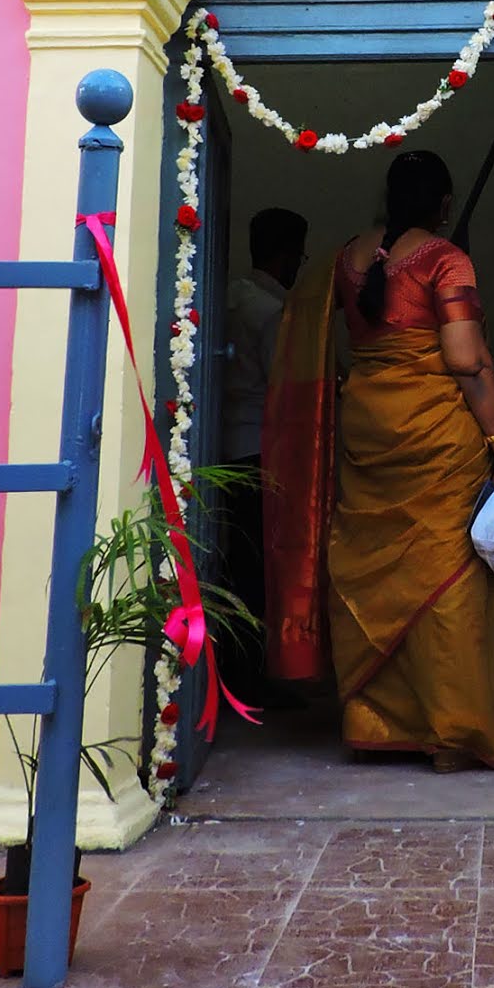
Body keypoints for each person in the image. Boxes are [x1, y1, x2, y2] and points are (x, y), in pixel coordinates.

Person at [329, 150, 494, 771]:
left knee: (377, 570)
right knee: (449, 578)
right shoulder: (445, 258)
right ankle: (454, 734)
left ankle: (376, 725)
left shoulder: (347, 257)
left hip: (367, 426)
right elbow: (467, 361)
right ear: (444, 204)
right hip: (435, 433)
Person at [221, 207, 307, 697]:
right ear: (287, 255)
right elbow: (285, 388)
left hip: (225, 443)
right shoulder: (274, 312)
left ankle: (235, 670)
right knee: (261, 568)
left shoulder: (232, 295)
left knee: (236, 562)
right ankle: (255, 677)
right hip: (260, 449)